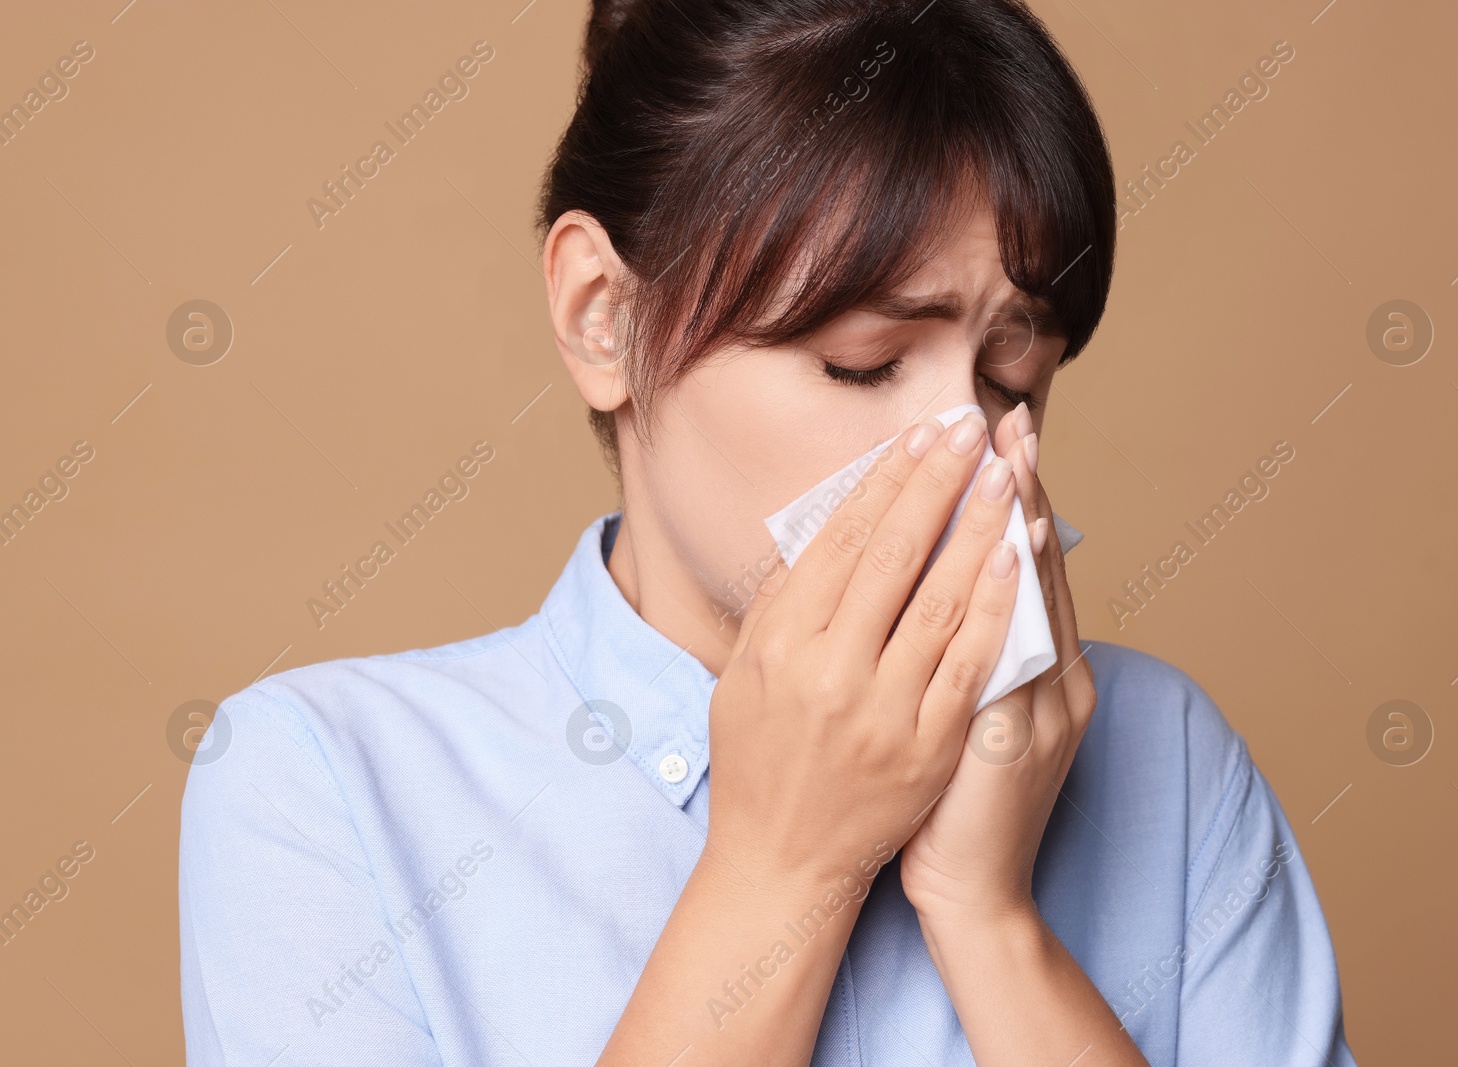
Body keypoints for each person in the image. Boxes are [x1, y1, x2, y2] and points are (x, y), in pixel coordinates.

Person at [178, 1, 1359, 1063]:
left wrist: (987, 915)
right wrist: (782, 867)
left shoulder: (1171, 761)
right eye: (864, 363)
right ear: (604, 318)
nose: (965, 445)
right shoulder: (323, 782)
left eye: (1011, 375)